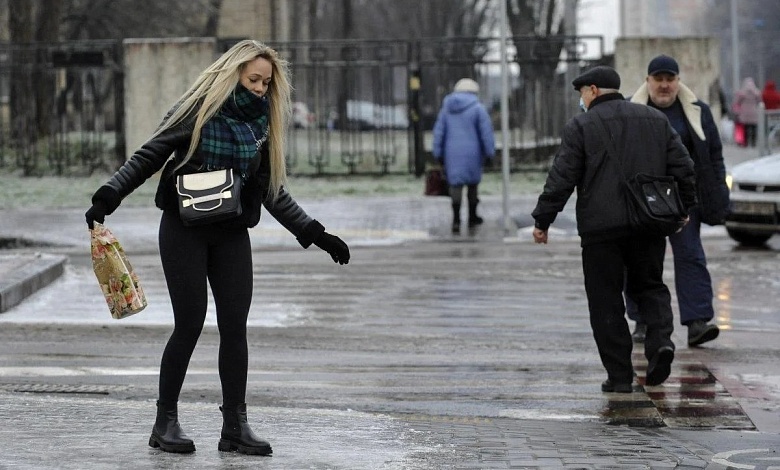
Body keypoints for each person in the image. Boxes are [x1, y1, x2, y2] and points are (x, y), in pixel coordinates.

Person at [84, 40, 350, 455]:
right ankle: (165, 421)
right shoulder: (198, 111)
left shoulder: (260, 127)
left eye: (266, 81)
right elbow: (148, 156)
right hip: (183, 230)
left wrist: (315, 233)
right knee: (189, 325)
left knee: (234, 328)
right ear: (234, 75)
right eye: (254, 79)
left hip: (231, 235)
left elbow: (272, 192)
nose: (261, 88)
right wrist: (109, 196)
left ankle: (235, 427)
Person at [531, 66, 697, 393]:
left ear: (592, 90)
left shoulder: (581, 126)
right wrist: (684, 208)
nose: (582, 100)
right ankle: (660, 343)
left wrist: (543, 219)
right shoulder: (654, 119)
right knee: (650, 286)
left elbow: (562, 177)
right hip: (648, 223)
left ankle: (620, 376)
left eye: (582, 93)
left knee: (605, 300)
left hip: (600, 229)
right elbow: (684, 167)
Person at [627, 55, 730, 348]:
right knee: (641, 260)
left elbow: (714, 156)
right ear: (647, 81)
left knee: (691, 257)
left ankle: (697, 322)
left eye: (669, 79)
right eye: (658, 79)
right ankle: (643, 321)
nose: (664, 85)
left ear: (678, 81)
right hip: (644, 199)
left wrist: (719, 192)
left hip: (685, 199)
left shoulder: (698, 112)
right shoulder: (631, 110)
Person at [432, 77, 495, 233]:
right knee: (473, 185)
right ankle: (472, 216)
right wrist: (489, 152)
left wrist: (438, 153)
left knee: (455, 186)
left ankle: (456, 219)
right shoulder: (478, 109)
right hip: (473, 153)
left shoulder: (446, 109)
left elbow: (438, 132)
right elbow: (486, 133)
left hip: (451, 153)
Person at [732, 77, 762, 147]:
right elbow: (760, 101)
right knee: (754, 128)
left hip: (744, 113)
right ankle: (753, 143)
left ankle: (745, 143)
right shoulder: (756, 92)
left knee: (745, 129)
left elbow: (737, 102)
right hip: (754, 112)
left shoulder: (742, 93)